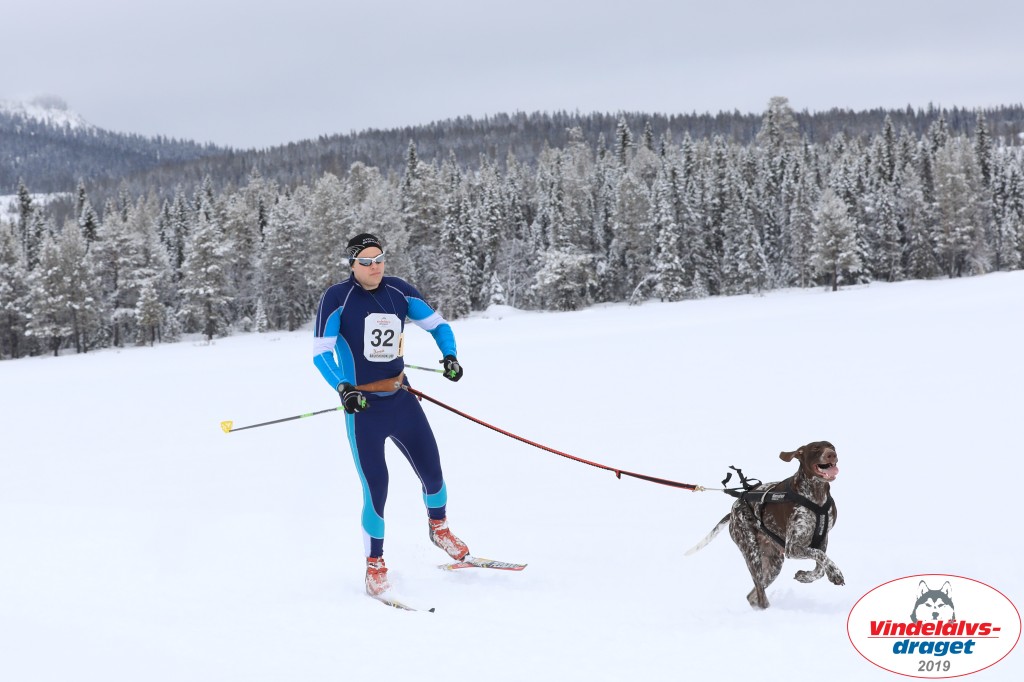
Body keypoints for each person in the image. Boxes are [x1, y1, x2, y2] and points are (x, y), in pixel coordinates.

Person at [312, 233, 470, 597]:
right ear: (352, 264)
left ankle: (439, 528)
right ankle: (375, 564)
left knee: (432, 469)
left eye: (379, 258)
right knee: (376, 488)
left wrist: (449, 356)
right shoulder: (337, 298)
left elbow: (439, 325)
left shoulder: (399, 291)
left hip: (401, 397)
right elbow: (321, 353)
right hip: (363, 408)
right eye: (365, 261)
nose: (375, 267)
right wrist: (343, 387)